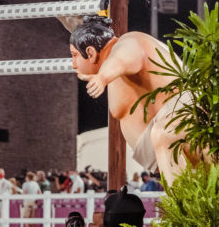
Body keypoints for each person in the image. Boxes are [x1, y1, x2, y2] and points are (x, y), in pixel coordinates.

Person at [69, 15, 201, 186]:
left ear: (90, 53)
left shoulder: (130, 41)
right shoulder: (115, 68)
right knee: (164, 136)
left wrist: (103, 77)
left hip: (191, 118)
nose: (73, 64)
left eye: (74, 55)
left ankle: (185, 209)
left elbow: (125, 59)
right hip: (179, 144)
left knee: (163, 134)